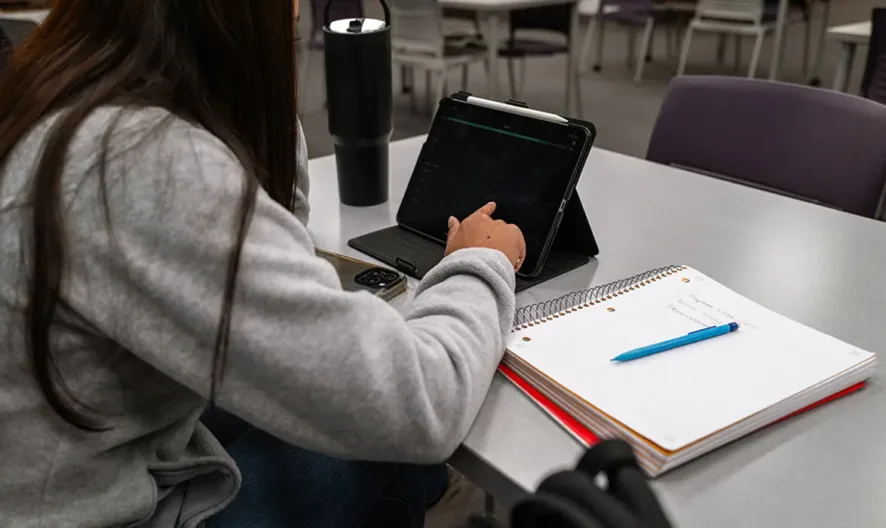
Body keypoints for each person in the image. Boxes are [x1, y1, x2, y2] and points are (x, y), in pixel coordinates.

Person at [0, 1, 526, 527]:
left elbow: (282, 233)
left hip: (80, 471)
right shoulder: (143, 163)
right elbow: (421, 403)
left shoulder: (61, 95)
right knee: (398, 447)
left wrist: (259, 93)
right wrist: (479, 259)